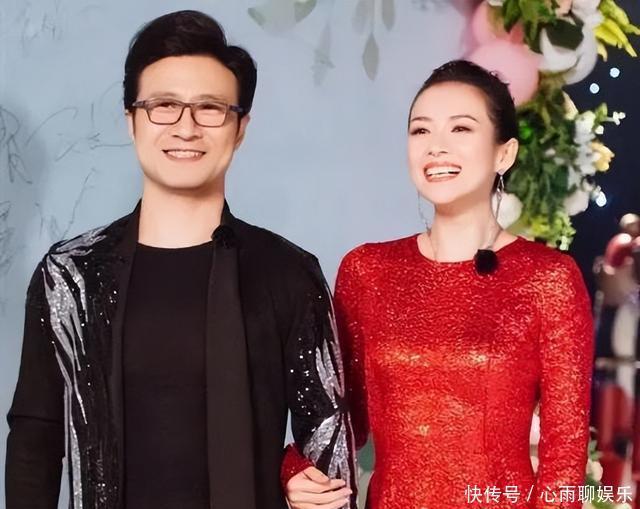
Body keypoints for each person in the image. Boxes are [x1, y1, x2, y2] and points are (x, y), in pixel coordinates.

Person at [6, 10, 356, 509]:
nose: (186, 127)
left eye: (210, 108)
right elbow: (34, 438)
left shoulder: (287, 272)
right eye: (164, 105)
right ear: (131, 120)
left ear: (240, 128)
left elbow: (328, 439)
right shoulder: (71, 276)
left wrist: (299, 479)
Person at [286, 60, 594, 508]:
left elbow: (564, 460)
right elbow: (344, 418)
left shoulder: (549, 278)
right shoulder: (367, 270)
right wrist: (294, 470)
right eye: (421, 130)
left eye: (461, 129)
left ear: (504, 153)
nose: (436, 147)